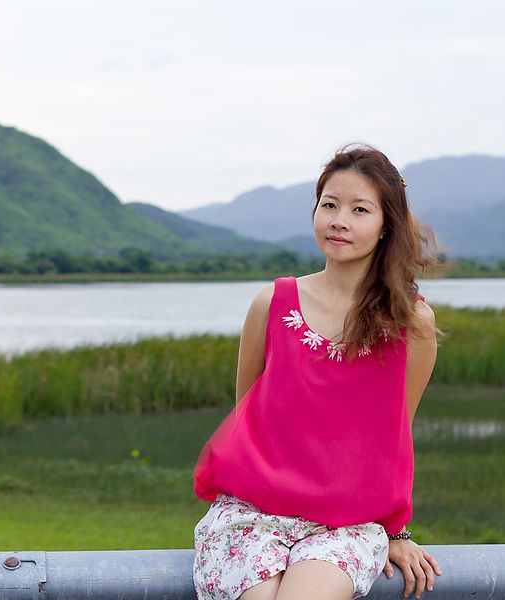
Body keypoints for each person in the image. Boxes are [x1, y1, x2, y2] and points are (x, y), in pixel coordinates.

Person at [192, 143, 444, 600]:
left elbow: (394, 436)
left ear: (387, 224)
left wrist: (397, 532)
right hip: (252, 514)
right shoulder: (271, 303)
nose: (339, 220)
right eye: (329, 205)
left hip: (344, 525)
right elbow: (246, 416)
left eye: (359, 209)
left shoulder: (412, 324)